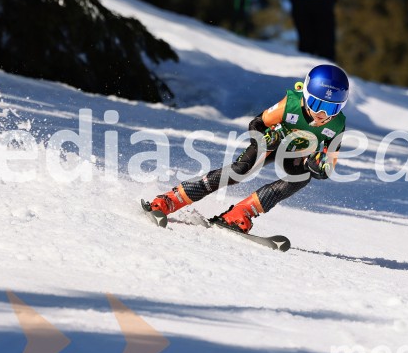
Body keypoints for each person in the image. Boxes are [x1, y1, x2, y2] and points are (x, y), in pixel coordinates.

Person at [147, 64, 349, 233]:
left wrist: (318, 165)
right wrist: (264, 139)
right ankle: (171, 199)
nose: (322, 114)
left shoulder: (337, 125)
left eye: (332, 108)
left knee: (302, 177)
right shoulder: (291, 105)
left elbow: (329, 165)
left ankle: (242, 212)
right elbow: (256, 124)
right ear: (305, 96)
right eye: (315, 103)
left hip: (296, 155)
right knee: (239, 171)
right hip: (273, 143)